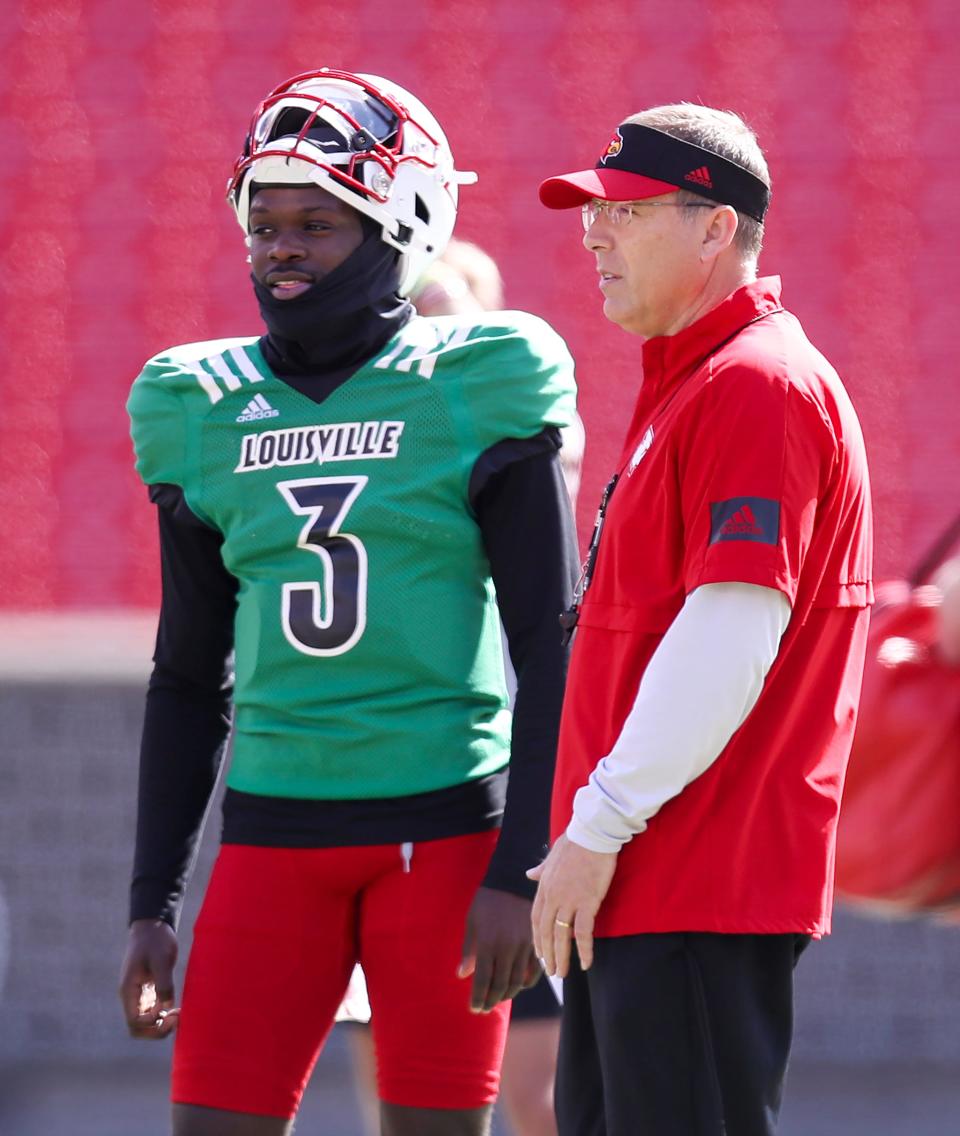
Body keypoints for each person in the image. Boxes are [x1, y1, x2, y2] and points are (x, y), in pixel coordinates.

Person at [118, 68, 579, 1136]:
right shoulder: (198, 403)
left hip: (447, 827)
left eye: (318, 223)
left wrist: (521, 865)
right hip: (272, 830)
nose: (281, 247)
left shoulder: (480, 376)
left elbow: (549, 642)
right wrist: (153, 898)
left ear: (402, 223)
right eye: (264, 222)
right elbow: (189, 672)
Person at [528, 104, 874, 1136]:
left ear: (714, 226)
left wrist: (596, 825)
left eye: (624, 212)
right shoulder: (702, 382)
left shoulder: (755, 387)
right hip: (650, 881)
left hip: (689, 880)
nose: (594, 233)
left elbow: (731, 631)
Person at [338, 237, 582, 1136]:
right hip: (384, 779)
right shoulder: (354, 429)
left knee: (537, 1091)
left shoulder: (512, 416)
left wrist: (425, 297)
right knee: (394, 1080)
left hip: (496, 782)